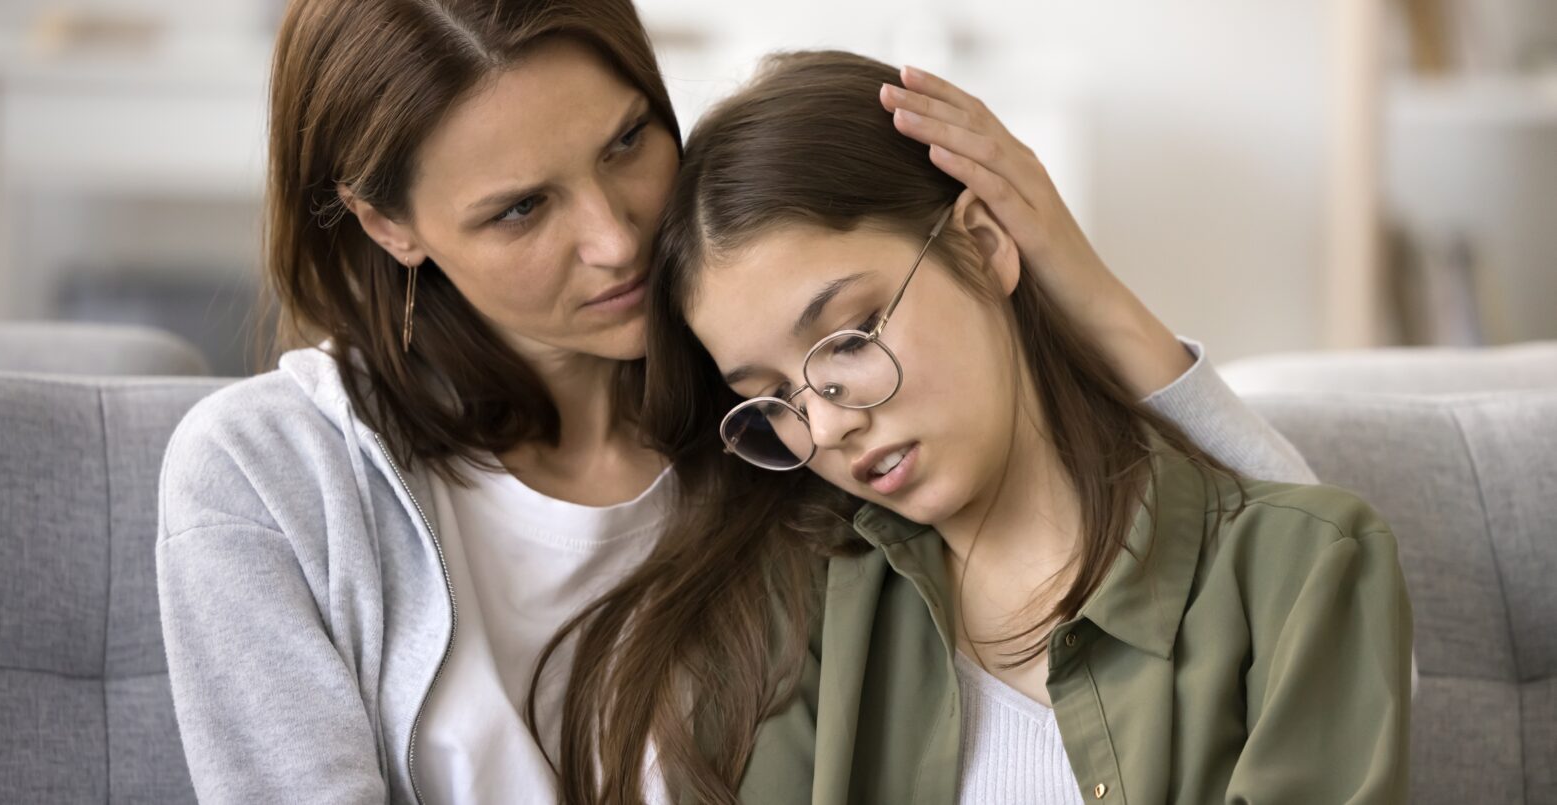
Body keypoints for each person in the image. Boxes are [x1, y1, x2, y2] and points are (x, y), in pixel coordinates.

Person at [156, 1, 1317, 802]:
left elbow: (1305, 615)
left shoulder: (803, 422)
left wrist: (1075, 274)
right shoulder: (268, 476)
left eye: (628, 143)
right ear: (386, 224)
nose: (616, 238)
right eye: (521, 210)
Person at [548, 50, 1410, 804]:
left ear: (985, 241)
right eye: (772, 395)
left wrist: (1091, 289)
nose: (828, 423)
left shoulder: (1302, 570)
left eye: (848, 338)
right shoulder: (780, 621)